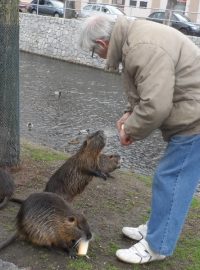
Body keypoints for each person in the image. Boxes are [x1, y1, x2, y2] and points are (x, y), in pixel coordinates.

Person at [79, 14, 200, 264]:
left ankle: (158, 245)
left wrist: (129, 130)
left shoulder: (141, 47)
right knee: (167, 177)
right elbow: (145, 87)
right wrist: (129, 113)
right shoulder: (133, 39)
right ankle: (156, 228)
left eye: (94, 53)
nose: (98, 58)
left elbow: (155, 105)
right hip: (191, 111)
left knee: (172, 179)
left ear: (102, 44)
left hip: (195, 119)